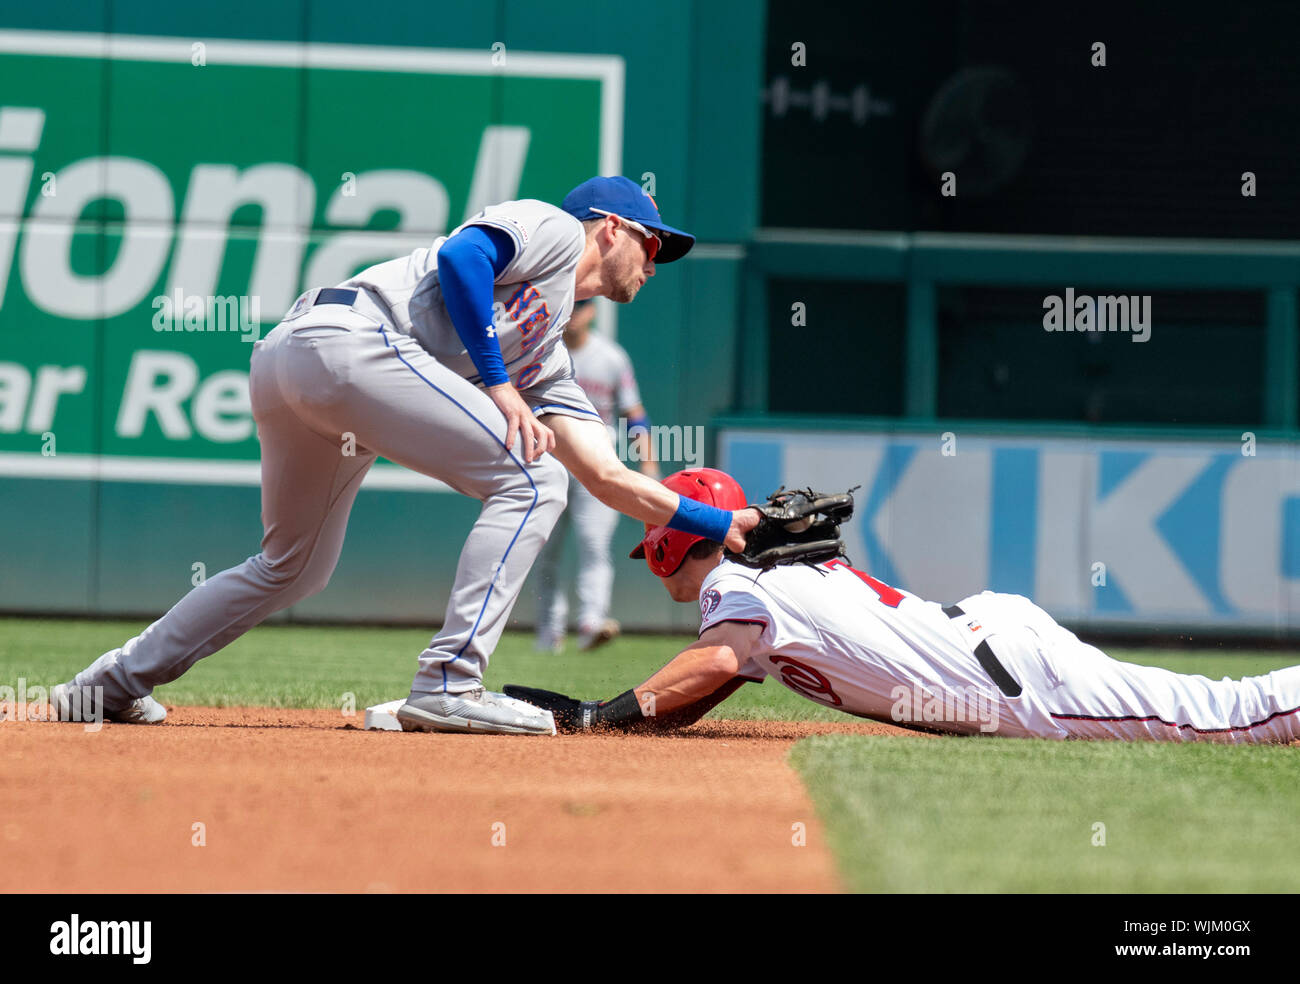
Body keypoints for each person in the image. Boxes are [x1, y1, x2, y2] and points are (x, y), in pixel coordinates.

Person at [53, 179, 759, 735]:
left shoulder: (548, 361)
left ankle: (108, 685)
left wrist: (721, 525)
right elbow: (463, 257)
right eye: (654, 244)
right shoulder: (551, 229)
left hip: (302, 366)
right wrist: (498, 381)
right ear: (611, 227)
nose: (657, 264)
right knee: (534, 477)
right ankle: (450, 683)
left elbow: (608, 479)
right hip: (344, 340)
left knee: (293, 566)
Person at [506, 468, 1300, 743]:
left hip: (1008, 679)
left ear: (678, 544)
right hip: (988, 637)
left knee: (1230, 715)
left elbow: (711, 660)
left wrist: (595, 719)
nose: (655, 566)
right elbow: (702, 688)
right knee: (1218, 711)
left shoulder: (731, 585)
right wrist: (626, 712)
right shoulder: (758, 587)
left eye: (653, 552)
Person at [533, 299, 658, 653]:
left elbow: (635, 414)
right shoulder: (544, 350)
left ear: (592, 312)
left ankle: (591, 623)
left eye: (584, 305)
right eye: (572, 305)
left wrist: (648, 463)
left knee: (594, 545)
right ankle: (549, 633)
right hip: (549, 461)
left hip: (598, 463)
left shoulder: (611, 357)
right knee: (543, 550)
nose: (576, 312)